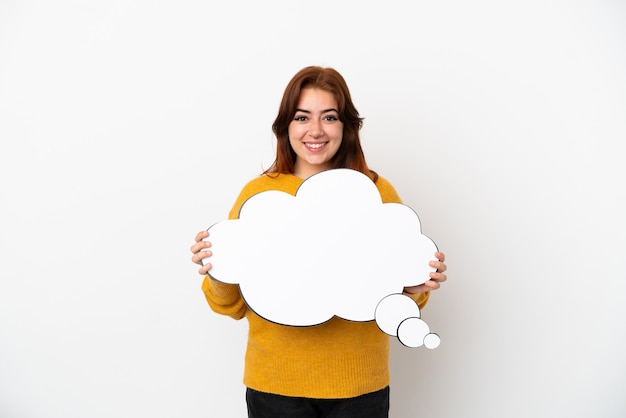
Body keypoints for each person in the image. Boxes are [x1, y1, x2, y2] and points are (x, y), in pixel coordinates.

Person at [190, 65, 447, 418]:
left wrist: (417, 283)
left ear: (346, 126)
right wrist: (217, 268)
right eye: (302, 117)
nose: (315, 130)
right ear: (286, 126)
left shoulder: (377, 192)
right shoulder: (259, 195)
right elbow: (229, 305)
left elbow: (403, 299)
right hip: (275, 386)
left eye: (329, 117)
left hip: (360, 386)